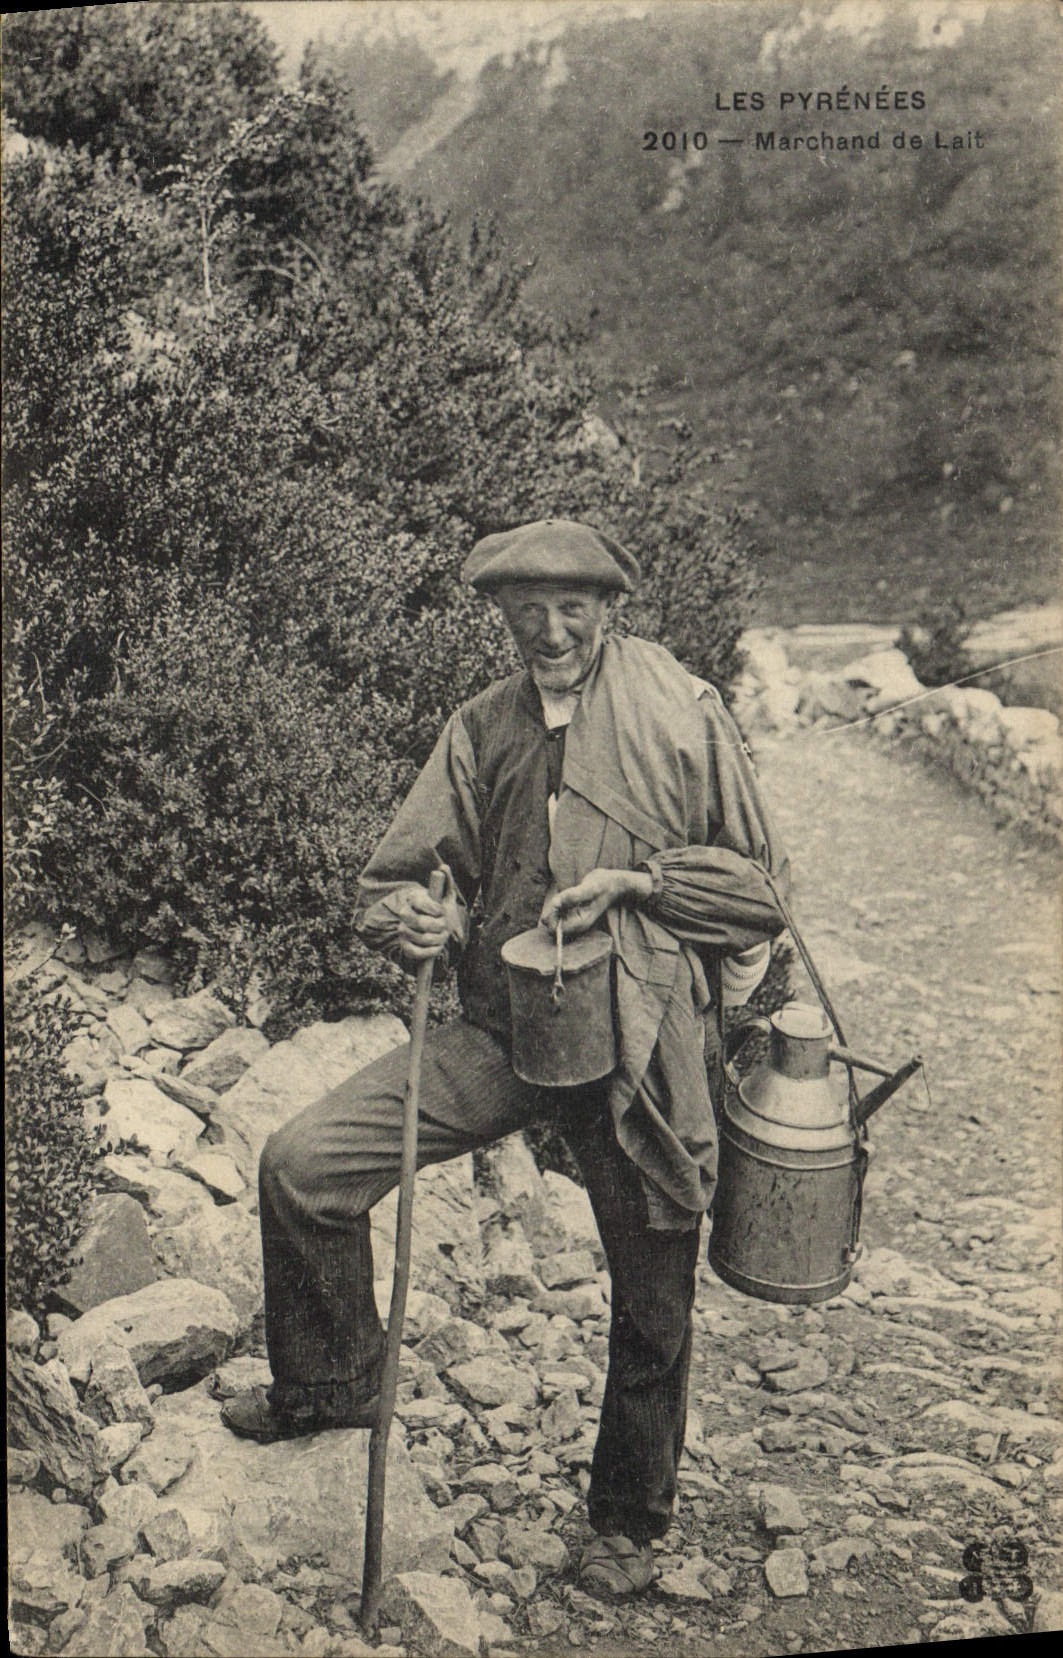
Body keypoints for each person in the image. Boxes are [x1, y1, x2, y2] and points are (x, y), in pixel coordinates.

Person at [221, 518, 791, 1598]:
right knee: (301, 1165)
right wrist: (414, 921)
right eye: (524, 607)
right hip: (500, 1033)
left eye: (571, 605)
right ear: (498, 614)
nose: (548, 627)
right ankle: (333, 1381)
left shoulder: (683, 711)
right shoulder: (481, 726)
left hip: (637, 1040)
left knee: (654, 1280)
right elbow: (395, 876)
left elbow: (760, 894)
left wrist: (640, 885)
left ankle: (627, 1516)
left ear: (609, 607)